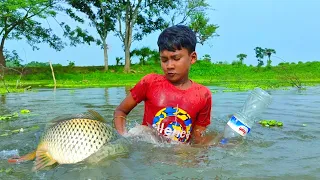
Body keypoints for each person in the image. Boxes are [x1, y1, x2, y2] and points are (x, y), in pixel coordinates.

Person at [113, 25, 213, 145]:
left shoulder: (203, 95)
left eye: (176, 58)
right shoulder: (150, 83)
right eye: (164, 60)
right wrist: (124, 139)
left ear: (192, 58)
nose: (169, 65)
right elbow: (120, 111)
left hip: (179, 158)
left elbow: (198, 137)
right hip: (149, 154)